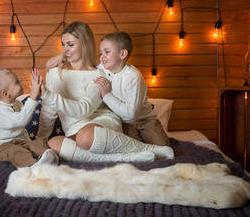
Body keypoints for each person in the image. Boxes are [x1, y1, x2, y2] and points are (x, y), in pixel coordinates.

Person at [37, 21, 174, 162]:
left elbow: (83, 110)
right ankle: (132, 156)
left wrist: (48, 94)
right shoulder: (54, 73)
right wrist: (39, 139)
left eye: (70, 44)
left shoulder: (101, 73)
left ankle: (151, 149)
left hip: (102, 122)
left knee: (85, 137)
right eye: (63, 44)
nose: (65, 49)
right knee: (53, 144)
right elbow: (48, 111)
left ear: (84, 44)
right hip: (74, 129)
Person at [95, 31, 169, 146]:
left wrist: (106, 95)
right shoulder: (101, 69)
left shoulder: (133, 76)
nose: (102, 56)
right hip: (122, 123)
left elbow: (130, 113)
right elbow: (84, 65)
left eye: (107, 52)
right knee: (134, 148)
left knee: (163, 148)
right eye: (100, 53)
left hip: (145, 120)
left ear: (122, 54)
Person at [0, 68, 59, 168]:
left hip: (19, 141)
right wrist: (33, 95)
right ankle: (32, 165)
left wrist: (39, 90)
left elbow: (26, 113)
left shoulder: (17, 103)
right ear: (5, 93)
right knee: (15, 152)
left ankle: (47, 157)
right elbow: (21, 120)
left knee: (35, 145)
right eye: (17, 82)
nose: (21, 82)